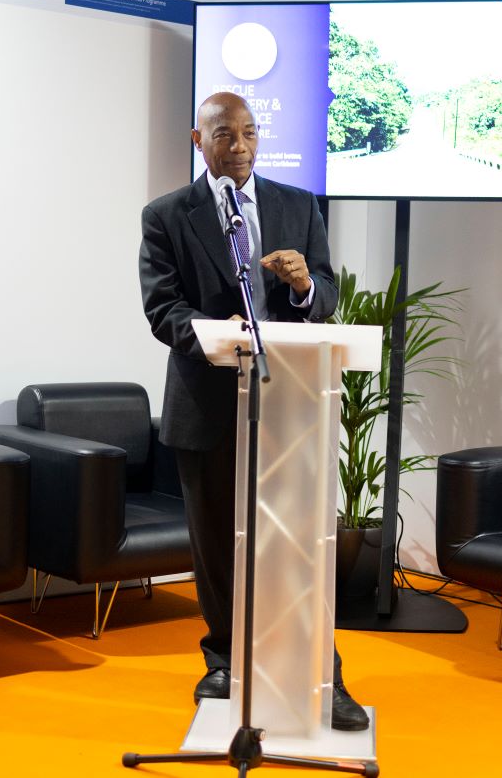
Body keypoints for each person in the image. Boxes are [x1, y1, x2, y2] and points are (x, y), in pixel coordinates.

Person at [138, 91, 369, 731]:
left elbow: (324, 296)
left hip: (291, 402)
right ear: (198, 140)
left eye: (248, 133)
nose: (238, 146)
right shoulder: (166, 216)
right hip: (207, 402)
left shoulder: (299, 206)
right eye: (223, 135)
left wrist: (302, 286)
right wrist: (222, 334)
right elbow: (163, 311)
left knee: (297, 544)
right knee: (216, 542)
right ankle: (223, 659)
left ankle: (325, 672)